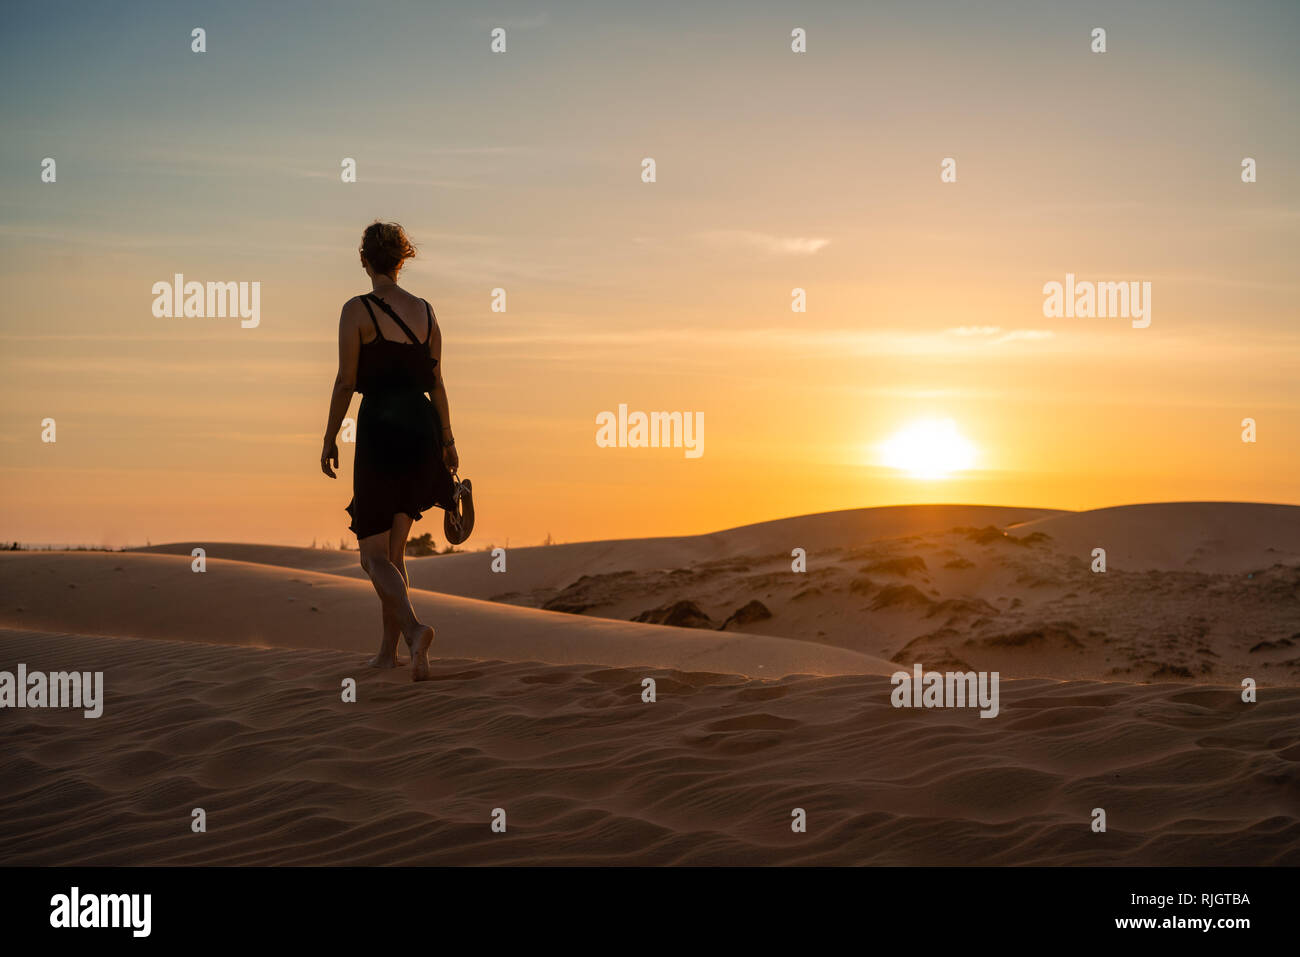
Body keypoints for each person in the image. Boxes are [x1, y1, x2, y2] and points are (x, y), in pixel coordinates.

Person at [319, 221, 458, 681]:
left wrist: (330, 436)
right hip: (421, 429)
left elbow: (345, 381)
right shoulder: (427, 312)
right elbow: (436, 383)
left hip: (380, 427)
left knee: (371, 557)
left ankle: (415, 630)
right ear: (402, 260)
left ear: (364, 260)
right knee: (394, 556)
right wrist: (449, 441)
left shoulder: (356, 310)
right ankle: (388, 653)